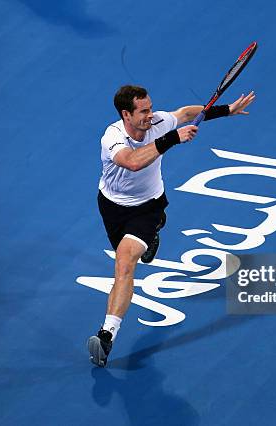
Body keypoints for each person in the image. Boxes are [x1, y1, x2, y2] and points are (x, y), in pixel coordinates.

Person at [88, 85, 255, 367]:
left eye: (150, 108)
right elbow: (132, 162)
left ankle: (106, 335)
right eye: (143, 111)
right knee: (128, 256)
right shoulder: (112, 136)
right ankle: (149, 240)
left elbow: (187, 113)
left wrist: (227, 110)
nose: (150, 115)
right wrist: (171, 139)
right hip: (112, 207)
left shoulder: (159, 122)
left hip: (147, 207)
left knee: (125, 263)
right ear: (126, 114)